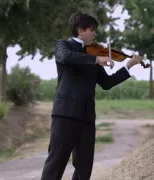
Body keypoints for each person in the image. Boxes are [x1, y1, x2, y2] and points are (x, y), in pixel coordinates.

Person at [40, 12, 142, 180]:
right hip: (65, 114)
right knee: (56, 162)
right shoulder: (63, 45)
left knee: (84, 166)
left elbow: (107, 83)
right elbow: (65, 57)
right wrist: (96, 60)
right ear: (80, 31)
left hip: (87, 116)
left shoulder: (94, 53)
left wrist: (129, 66)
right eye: (92, 30)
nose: (95, 34)